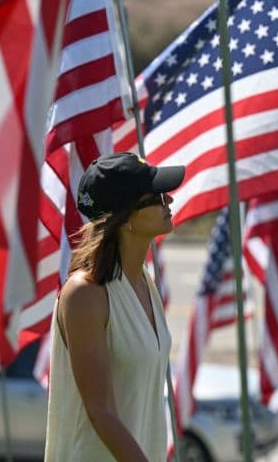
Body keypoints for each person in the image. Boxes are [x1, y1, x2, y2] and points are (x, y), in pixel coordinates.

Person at [44, 152, 184, 461]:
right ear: (127, 217)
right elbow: (101, 411)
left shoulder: (145, 280)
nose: (169, 200)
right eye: (157, 196)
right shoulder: (85, 294)